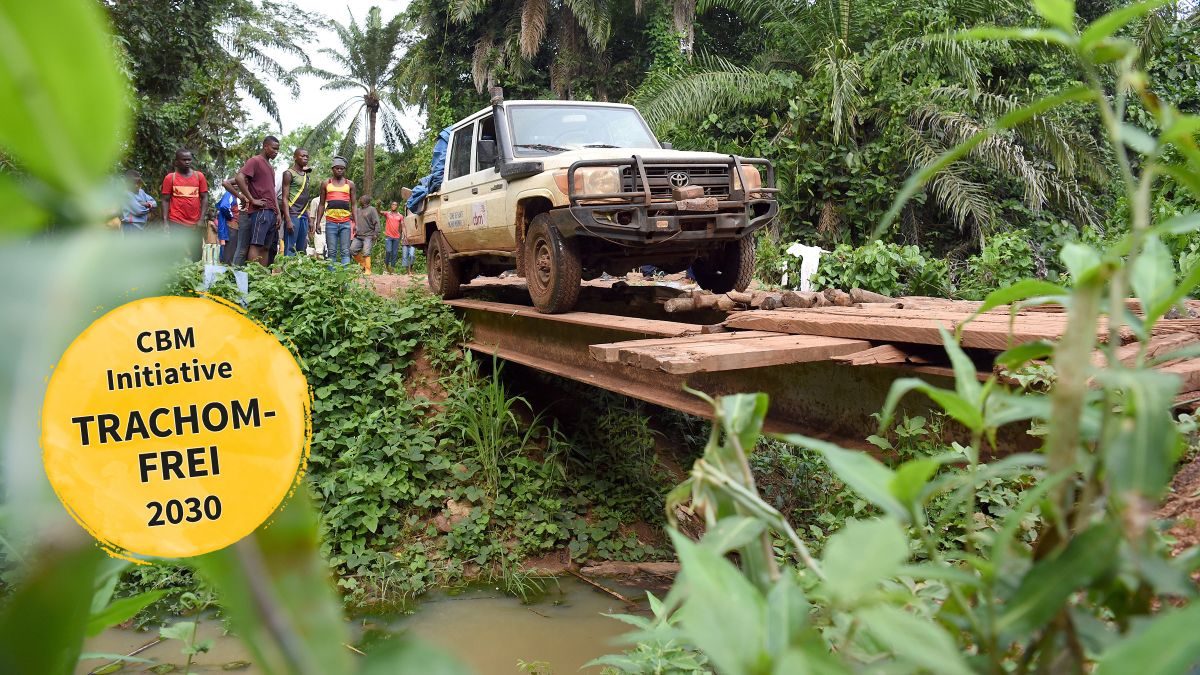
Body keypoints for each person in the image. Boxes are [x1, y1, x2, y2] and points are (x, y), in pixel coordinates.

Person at [234, 136, 282, 267]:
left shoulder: (271, 168)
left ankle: (262, 278)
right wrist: (252, 199)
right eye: (274, 148)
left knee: (266, 247)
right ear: (265, 146)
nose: (276, 152)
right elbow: (239, 177)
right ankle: (252, 276)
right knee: (256, 244)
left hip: (271, 211)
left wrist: (278, 213)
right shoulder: (255, 161)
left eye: (278, 149)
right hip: (261, 211)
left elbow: (272, 192)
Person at [160, 149, 209, 259]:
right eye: (184, 160)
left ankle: (196, 275)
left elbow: (205, 198)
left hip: (195, 223)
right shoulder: (170, 178)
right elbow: (165, 200)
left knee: (196, 254)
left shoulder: (199, 176)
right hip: (176, 221)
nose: (187, 162)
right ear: (176, 162)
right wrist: (165, 222)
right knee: (176, 254)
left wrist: (201, 219)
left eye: (189, 160)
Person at [314, 156, 355, 266]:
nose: (340, 170)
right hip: (330, 223)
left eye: (342, 168)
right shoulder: (326, 183)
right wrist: (317, 222)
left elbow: (354, 205)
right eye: (337, 168)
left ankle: (345, 281)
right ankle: (332, 281)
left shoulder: (349, 184)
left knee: (345, 252)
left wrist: (356, 223)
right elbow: (322, 204)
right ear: (333, 169)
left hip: (346, 223)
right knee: (331, 252)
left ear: (344, 169)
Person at [280, 149, 313, 257]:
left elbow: (305, 199)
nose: (305, 158)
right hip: (293, 214)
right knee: (290, 247)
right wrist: (288, 219)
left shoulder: (306, 176)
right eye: (302, 156)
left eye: (307, 156)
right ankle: (288, 272)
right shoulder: (289, 173)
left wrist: (309, 219)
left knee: (302, 248)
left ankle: (299, 273)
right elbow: (284, 198)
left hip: (303, 215)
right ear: (295, 157)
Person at [351, 195, 379, 275]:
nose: (359, 199)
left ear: (366, 200)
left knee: (366, 252)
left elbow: (376, 222)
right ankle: (363, 264)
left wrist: (376, 233)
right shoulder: (358, 210)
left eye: (361, 198)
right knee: (352, 250)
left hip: (368, 235)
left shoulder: (372, 209)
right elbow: (351, 217)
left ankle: (368, 270)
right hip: (358, 235)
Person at [215, 185, 239, 264]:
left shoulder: (234, 196)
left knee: (229, 250)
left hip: (232, 226)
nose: (236, 185)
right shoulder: (229, 194)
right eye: (233, 184)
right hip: (231, 226)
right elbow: (224, 206)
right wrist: (231, 216)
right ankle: (226, 271)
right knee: (229, 252)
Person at [383, 200, 402, 274]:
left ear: (397, 206)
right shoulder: (387, 214)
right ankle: (386, 267)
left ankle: (392, 269)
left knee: (394, 253)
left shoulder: (400, 216)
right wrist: (378, 207)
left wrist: (400, 234)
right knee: (388, 251)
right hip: (389, 236)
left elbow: (401, 226)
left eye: (395, 205)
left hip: (396, 237)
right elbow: (379, 212)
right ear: (391, 206)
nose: (394, 206)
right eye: (393, 205)